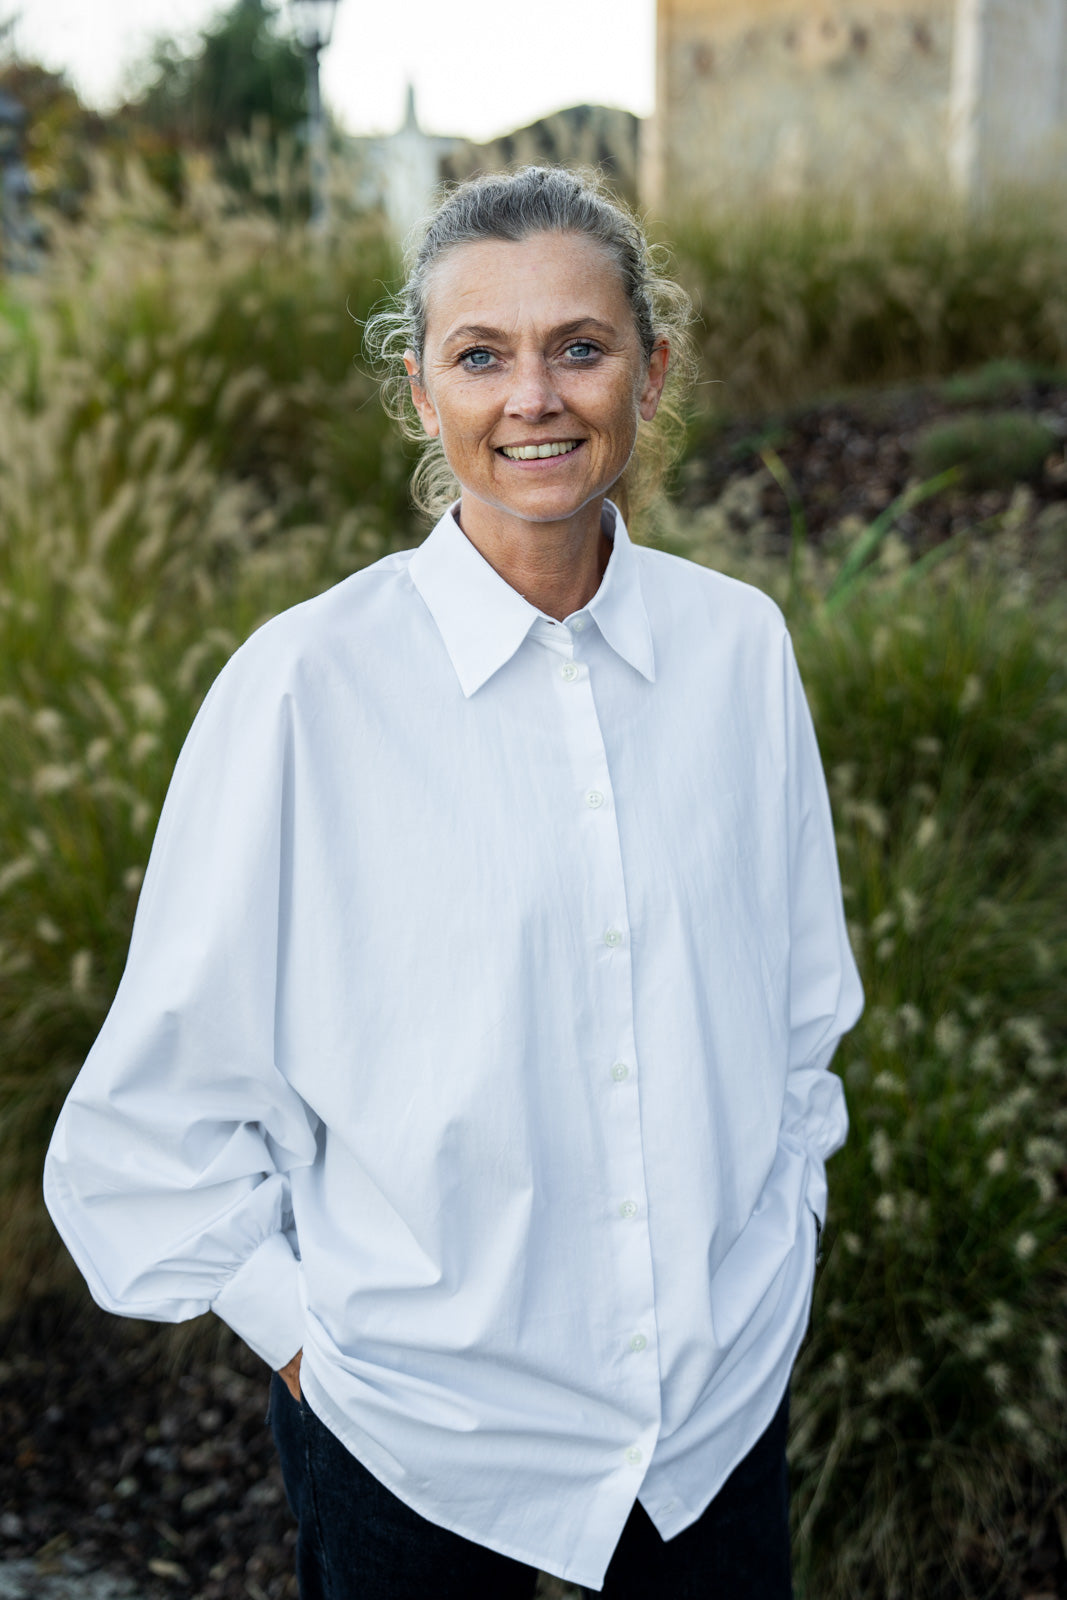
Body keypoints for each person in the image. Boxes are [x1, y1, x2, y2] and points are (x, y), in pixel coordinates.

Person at [44, 166, 863, 1599]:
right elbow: (150, 1119)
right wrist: (306, 1336)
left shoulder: (741, 651)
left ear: (650, 372)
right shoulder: (307, 688)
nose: (533, 396)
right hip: (417, 1442)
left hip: (710, 1421)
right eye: (482, 355)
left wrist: (780, 1240)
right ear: (422, 391)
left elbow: (798, 1012)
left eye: (581, 347)